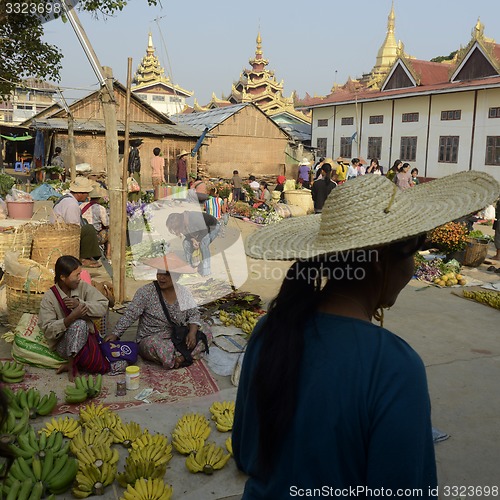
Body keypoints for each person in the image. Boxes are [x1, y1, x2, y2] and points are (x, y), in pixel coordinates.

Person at [234, 171, 499, 498]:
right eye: (412, 253)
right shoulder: (394, 367)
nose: (413, 266)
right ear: (379, 263)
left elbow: (245, 453)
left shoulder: (268, 330)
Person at [107, 254, 211, 369]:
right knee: (157, 347)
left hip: (177, 335)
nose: (161, 278)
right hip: (153, 338)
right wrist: (116, 333)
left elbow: (194, 314)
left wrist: (192, 333)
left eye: (167, 274)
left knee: (206, 330)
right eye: (159, 273)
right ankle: (184, 356)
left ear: (177, 276)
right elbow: (131, 314)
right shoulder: (146, 292)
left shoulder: (183, 293)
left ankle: (180, 358)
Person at [38, 256, 124, 381]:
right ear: (63, 277)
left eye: (80, 274)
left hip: (87, 341)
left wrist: (81, 305)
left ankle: (74, 363)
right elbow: (48, 330)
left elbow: (102, 305)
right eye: (76, 275)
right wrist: (70, 318)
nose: (80, 278)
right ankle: (73, 366)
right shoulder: (49, 298)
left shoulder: (82, 286)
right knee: (79, 324)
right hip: (64, 346)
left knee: (121, 364)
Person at [52, 176, 102, 268]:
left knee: (86, 223)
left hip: (60, 230)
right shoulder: (72, 204)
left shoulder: (66, 198)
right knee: (89, 229)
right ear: (79, 193)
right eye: (86, 193)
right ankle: (84, 258)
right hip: (63, 234)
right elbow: (74, 227)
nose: (87, 196)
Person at [166, 211, 221, 276]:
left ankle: (206, 271)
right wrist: (193, 240)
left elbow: (204, 231)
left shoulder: (194, 218)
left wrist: (198, 241)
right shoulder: (182, 223)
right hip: (200, 230)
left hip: (212, 227)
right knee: (185, 243)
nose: (176, 230)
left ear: (179, 223)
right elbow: (187, 235)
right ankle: (190, 267)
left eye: (176, 228)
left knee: (203, 244)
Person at [80, 185, 110, 259]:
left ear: (89, 197)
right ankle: (108, 254)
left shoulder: (81, 206)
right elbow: (107, 224)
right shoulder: (101, 208)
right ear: (99, 198)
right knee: (110, 232)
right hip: (94, 237)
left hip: (81, 234)